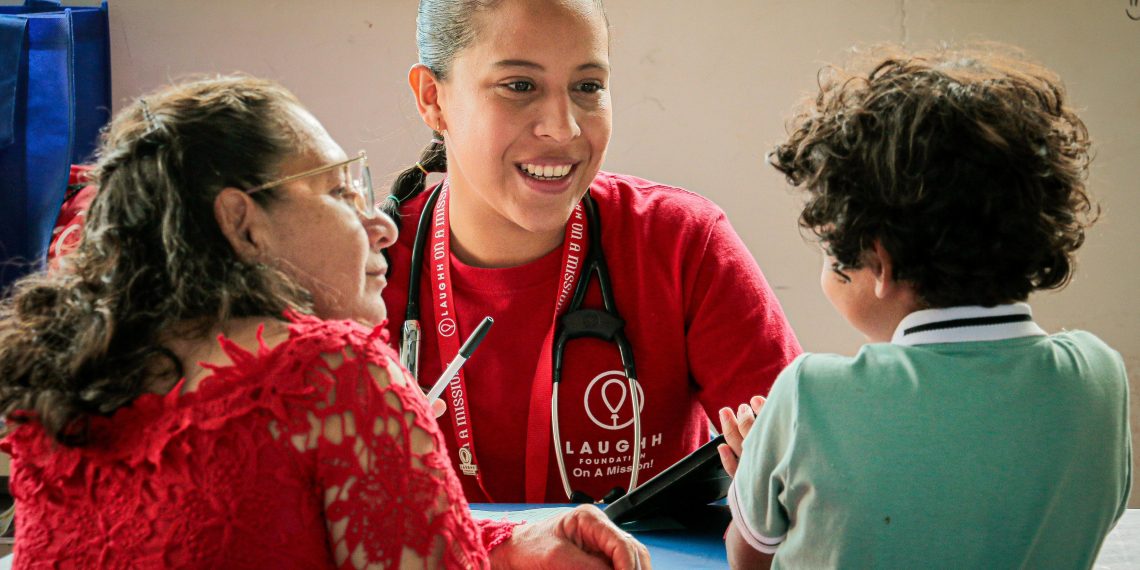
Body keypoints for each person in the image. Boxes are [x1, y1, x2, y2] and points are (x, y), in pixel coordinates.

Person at [0, 75, 651, 569]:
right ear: (241, 221)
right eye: (342, 191)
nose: (382, 224)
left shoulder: (60, 387)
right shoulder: (330, 373)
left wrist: (507, 540)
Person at [719, 45, 1133, 568]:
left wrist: (758, 467)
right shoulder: (1100, 377)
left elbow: (746, 558)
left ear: (878, 260)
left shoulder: (810, 397)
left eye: (829, 250)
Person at [382, 0, 802, 505]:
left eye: (588, 87)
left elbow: (807, 473)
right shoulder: (364, 269)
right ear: (433, 99)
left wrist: (780, 479)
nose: (563, 128)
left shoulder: (681, 242)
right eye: (519, 86)